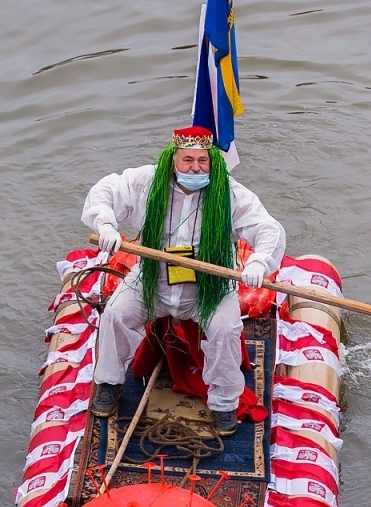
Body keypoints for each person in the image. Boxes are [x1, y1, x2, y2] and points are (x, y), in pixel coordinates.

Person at [83, 126, 286, 437]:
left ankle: (223, 403)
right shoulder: (148, 182)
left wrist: (259, 262)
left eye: (202, 161)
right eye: (187, 160)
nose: (195, 168)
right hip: (153, 277)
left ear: (212, 162)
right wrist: (107, 224)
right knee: (116, 314)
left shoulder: (229, 192)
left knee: (225, 330)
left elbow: (267, 228)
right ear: (173, 159)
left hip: (210, 284)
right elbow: (106, 190)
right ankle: (109, 383)